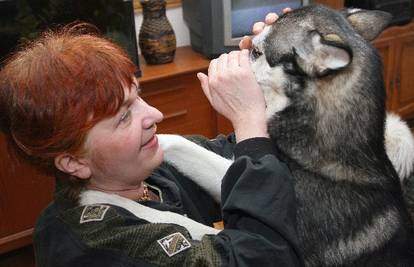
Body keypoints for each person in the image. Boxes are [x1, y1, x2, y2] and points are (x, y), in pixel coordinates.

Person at [0, 11, 302, 267]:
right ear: (73, 162)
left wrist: (278, 73)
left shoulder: (146, 169)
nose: (155, 115)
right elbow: (263, 257)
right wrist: (249, 119)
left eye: (138, 97)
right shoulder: (91, 245)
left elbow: (247, 154)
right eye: (123, 117)